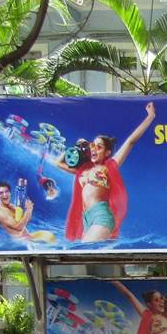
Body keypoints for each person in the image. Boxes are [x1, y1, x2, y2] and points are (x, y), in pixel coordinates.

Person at [52, 102, 155, 243]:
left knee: (86, 249)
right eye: (93, 146)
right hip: (86, 218)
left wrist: (150, 116)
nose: (94, 149)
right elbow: (58, 162)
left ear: (107, 152)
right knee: (87, 255)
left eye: (99, 147)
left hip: (101, 214)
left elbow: (130, 141)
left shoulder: (108, 167)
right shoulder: (83, 170)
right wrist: (75, 146)